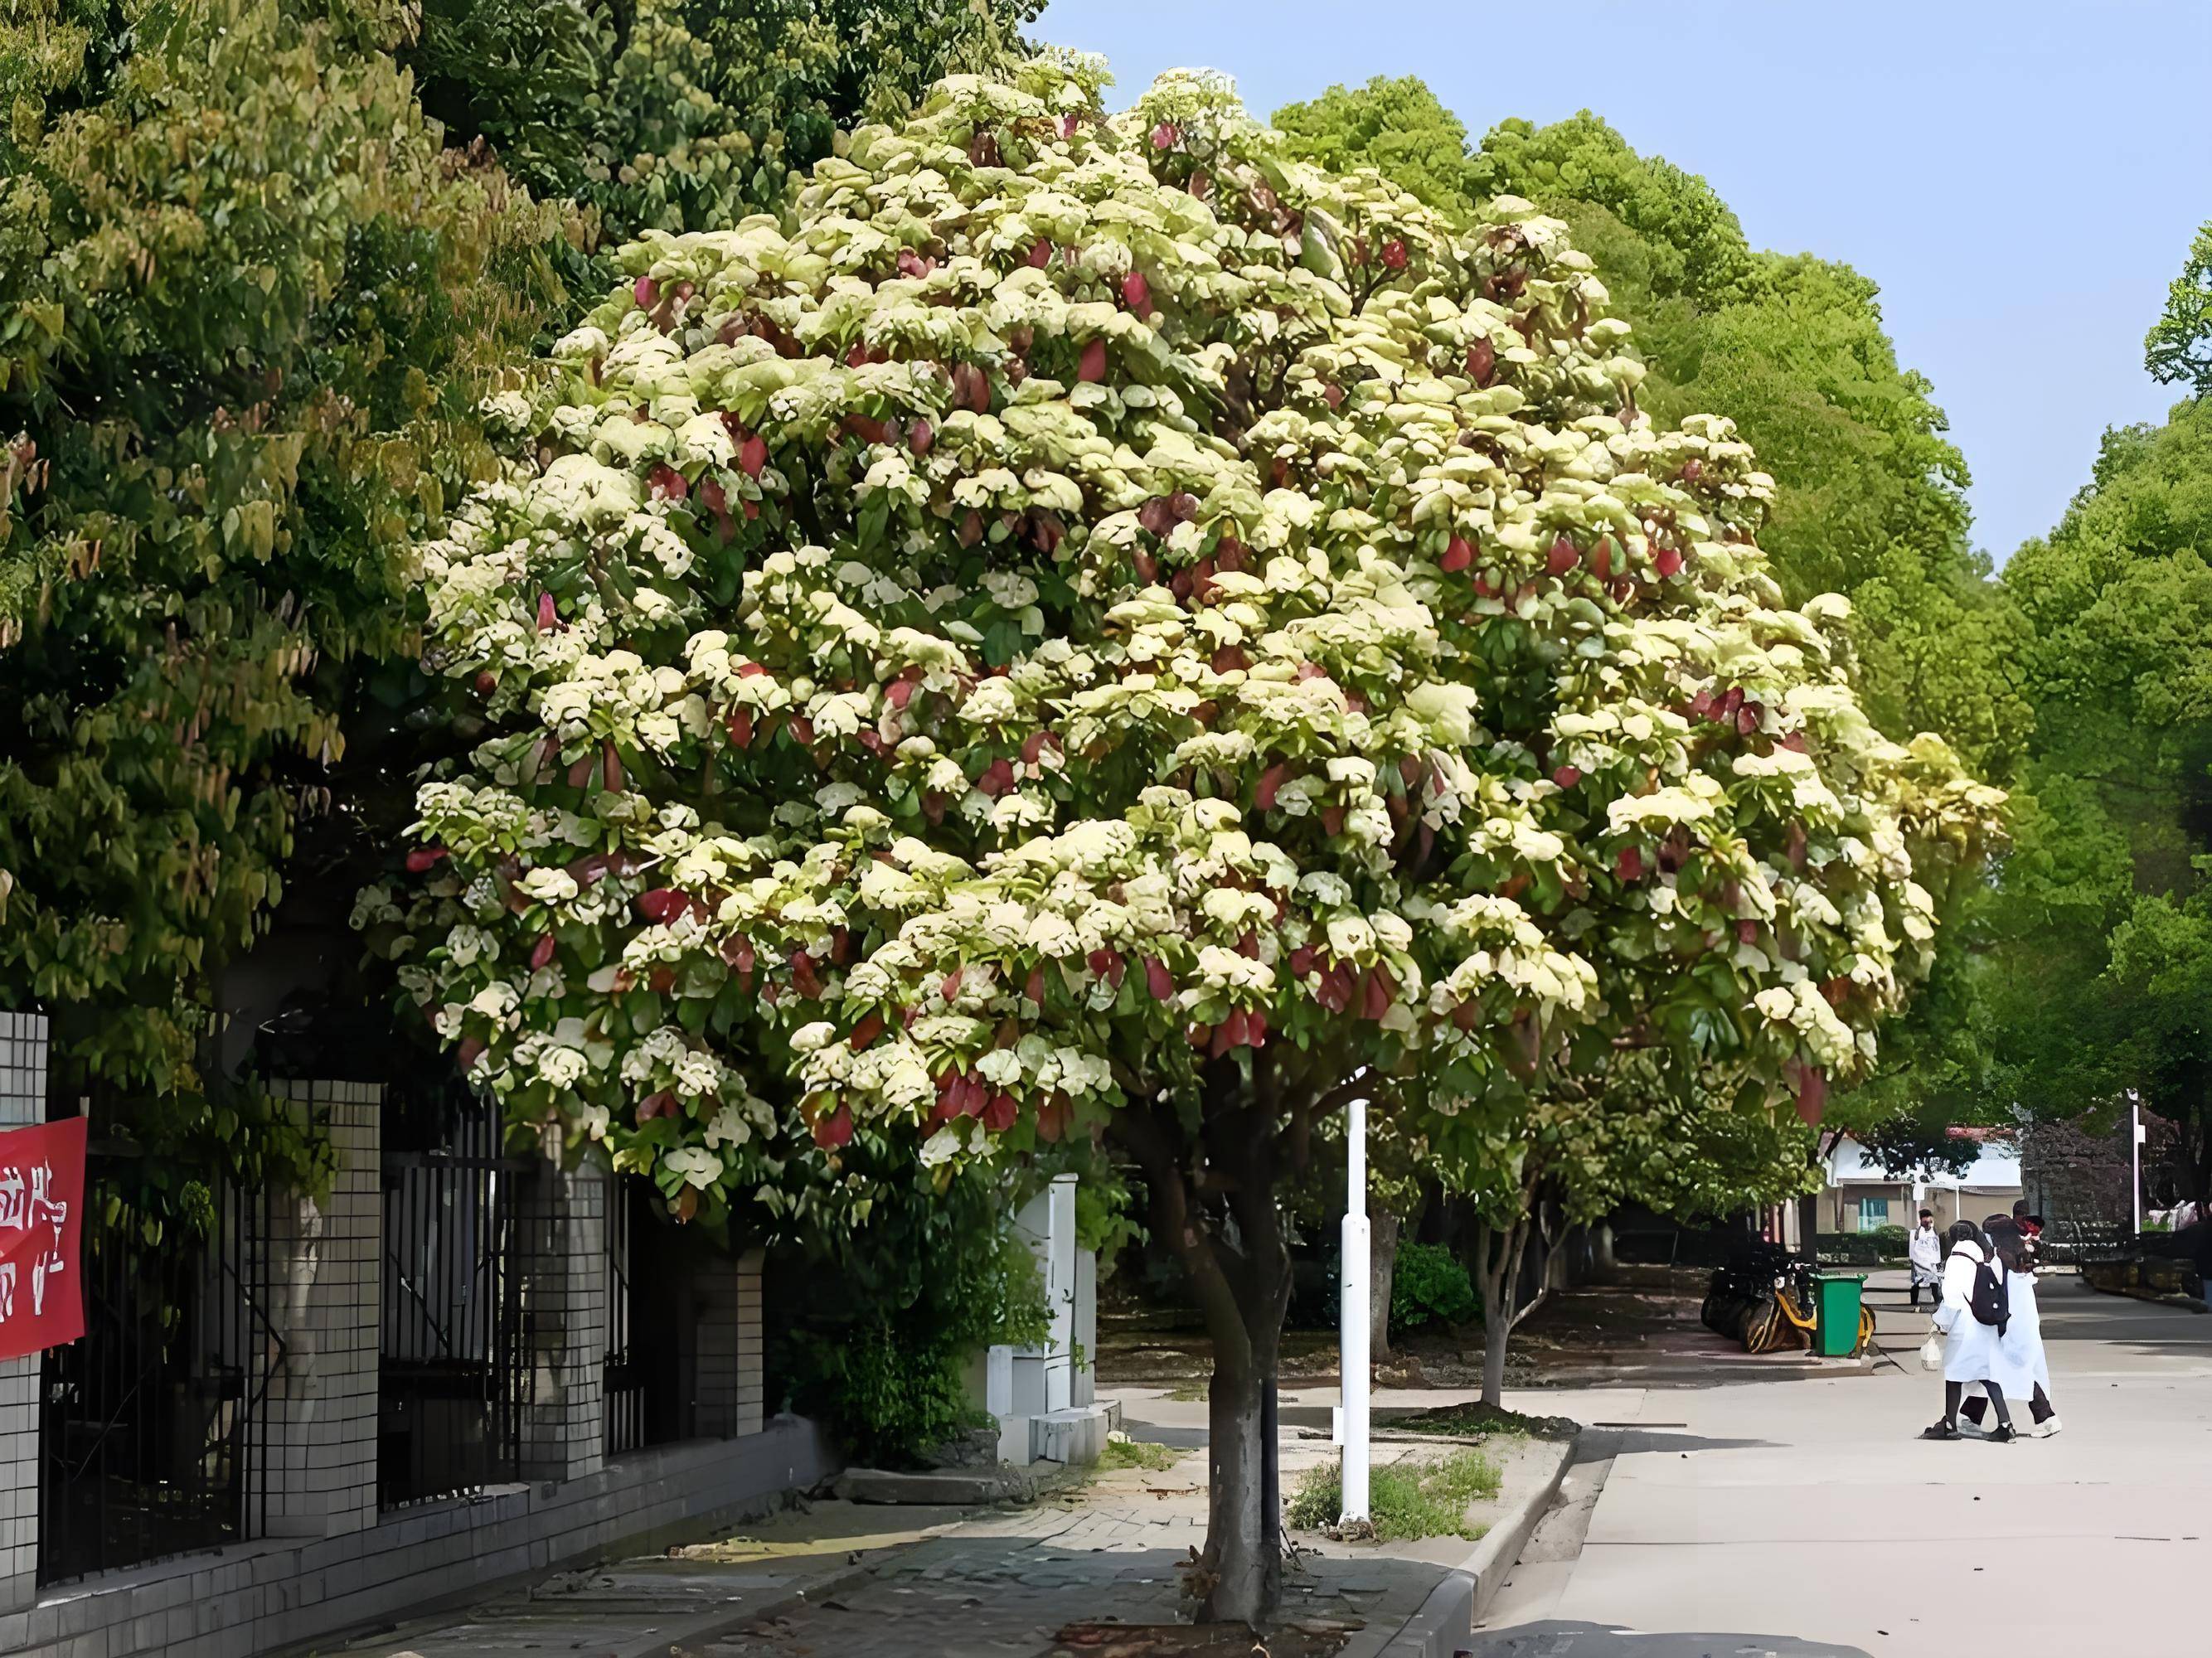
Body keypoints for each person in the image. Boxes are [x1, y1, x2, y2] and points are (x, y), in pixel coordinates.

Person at [1961, 1220, 2060, 1437]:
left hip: (2008, 1325)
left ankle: (2047, 1418)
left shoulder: (2000, 1260)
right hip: (2024, 1323)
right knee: (1998, 1370)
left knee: (2004, 1370)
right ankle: (1969, 1416)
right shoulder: (2020, 1256)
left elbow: (1988, 1290)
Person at [1921, 1219, 2016, 1442]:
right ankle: (2005, 1424)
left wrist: (1939, 1322)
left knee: (1954, 1375)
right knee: (1987, 1375)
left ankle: (1949, 1425)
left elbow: (1953, 1298)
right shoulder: (1985, 1257)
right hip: (1986, 1326)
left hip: (1965, 1327)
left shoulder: (1957, 1259)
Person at [1908, 1209, 1943, 1308]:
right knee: (1916, 1282)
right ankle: (1914, 1302)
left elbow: (1937, 1246)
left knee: (1934, 1282)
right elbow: (1912, 1246)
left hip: (1932, 1262)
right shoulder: (1916, 1233)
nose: (1927, 1224)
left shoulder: (1934, 1232)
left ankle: (1937, 1301)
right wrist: (1912, 1260)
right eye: (1925, 1222)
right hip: (1919, 1261)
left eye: (1929, 1221)